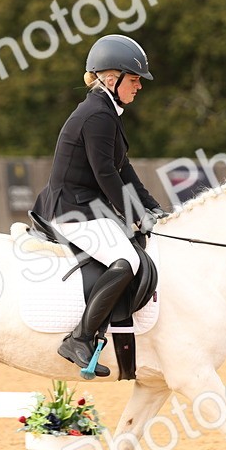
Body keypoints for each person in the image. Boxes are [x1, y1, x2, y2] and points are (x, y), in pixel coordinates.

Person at [32, 34, 168, 376]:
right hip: (71, 210)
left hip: (88, 207)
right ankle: (81, 337)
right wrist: (135, 216)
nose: (138, 87)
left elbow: (124, 169)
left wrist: (154, 210)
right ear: (112, 78)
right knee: (126, 261)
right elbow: (105, 172)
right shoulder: (97, 116)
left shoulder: (108, 112)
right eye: (134, 80)